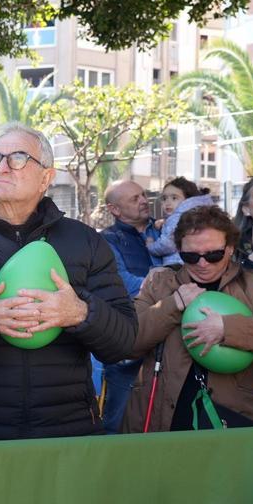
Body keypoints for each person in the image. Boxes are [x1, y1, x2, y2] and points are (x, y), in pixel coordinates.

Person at [0, 124, 136, 440]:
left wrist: (80, 313)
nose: (1, 167)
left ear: (46, 177)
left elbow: (124, 341)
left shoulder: (85, 241)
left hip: (68, 429)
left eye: (18, 158)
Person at [123, 206, 253, 431]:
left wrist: (227, 328)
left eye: (213, 255)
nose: (202, 264)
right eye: (191, 256)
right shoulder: (160, 282)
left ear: (230, 248)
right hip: (162, 417)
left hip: (230, 420)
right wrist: (172, 305)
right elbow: (127, 341)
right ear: (179, 251)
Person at [95, 180, 161, 433]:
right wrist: (166, 285)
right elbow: (122, 281)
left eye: (143, 195)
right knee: (120, 416)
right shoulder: (107, 241)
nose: (144, 200)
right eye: (134, 198)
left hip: (169, 336)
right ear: (114, 209)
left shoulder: (164, 231)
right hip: (129, 336)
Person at [147, 177, 215, 267]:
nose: (168, 203)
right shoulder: (198, 214)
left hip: (177, 265)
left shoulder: (175, 219)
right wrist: (165, 223)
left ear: (187, 199)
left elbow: (167, 245)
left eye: (174, 198)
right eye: (164, 198)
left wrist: (151, 246)